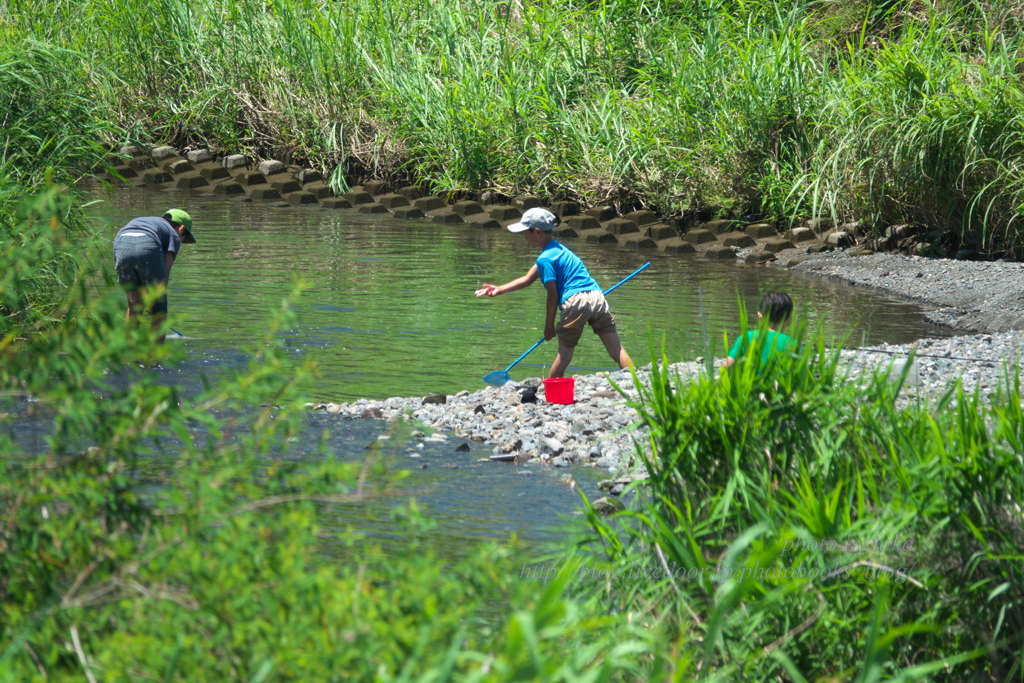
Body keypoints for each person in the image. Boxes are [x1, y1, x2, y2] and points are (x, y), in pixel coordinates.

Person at [476, 207, 632, 377]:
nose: (524, 237)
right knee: (616, 348)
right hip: (596, 296)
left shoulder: (545, 259)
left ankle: (551, 392)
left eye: (525, 233)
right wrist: (499, 289)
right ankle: (635, 381)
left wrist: (549, 325)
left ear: (537, 232)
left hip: (575, 301)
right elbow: (527, 279)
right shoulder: (559, 250)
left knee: (564, 354)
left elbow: (553, 295)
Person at [112, 208, 195, 343]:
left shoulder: (150, 222)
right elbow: (165, 273)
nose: (181, 241)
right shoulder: (174, 235)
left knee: (134, 303)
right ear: (181, 228)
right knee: (159, 308)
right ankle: (155, 359)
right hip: (147, 242)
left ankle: (127, 354)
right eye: (183, 238)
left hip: (121, 241)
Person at [721, 291, 797, 370]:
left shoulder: (745, 338)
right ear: (789, 320)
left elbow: (725, 368)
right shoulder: (793, 345)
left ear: (760, 316)